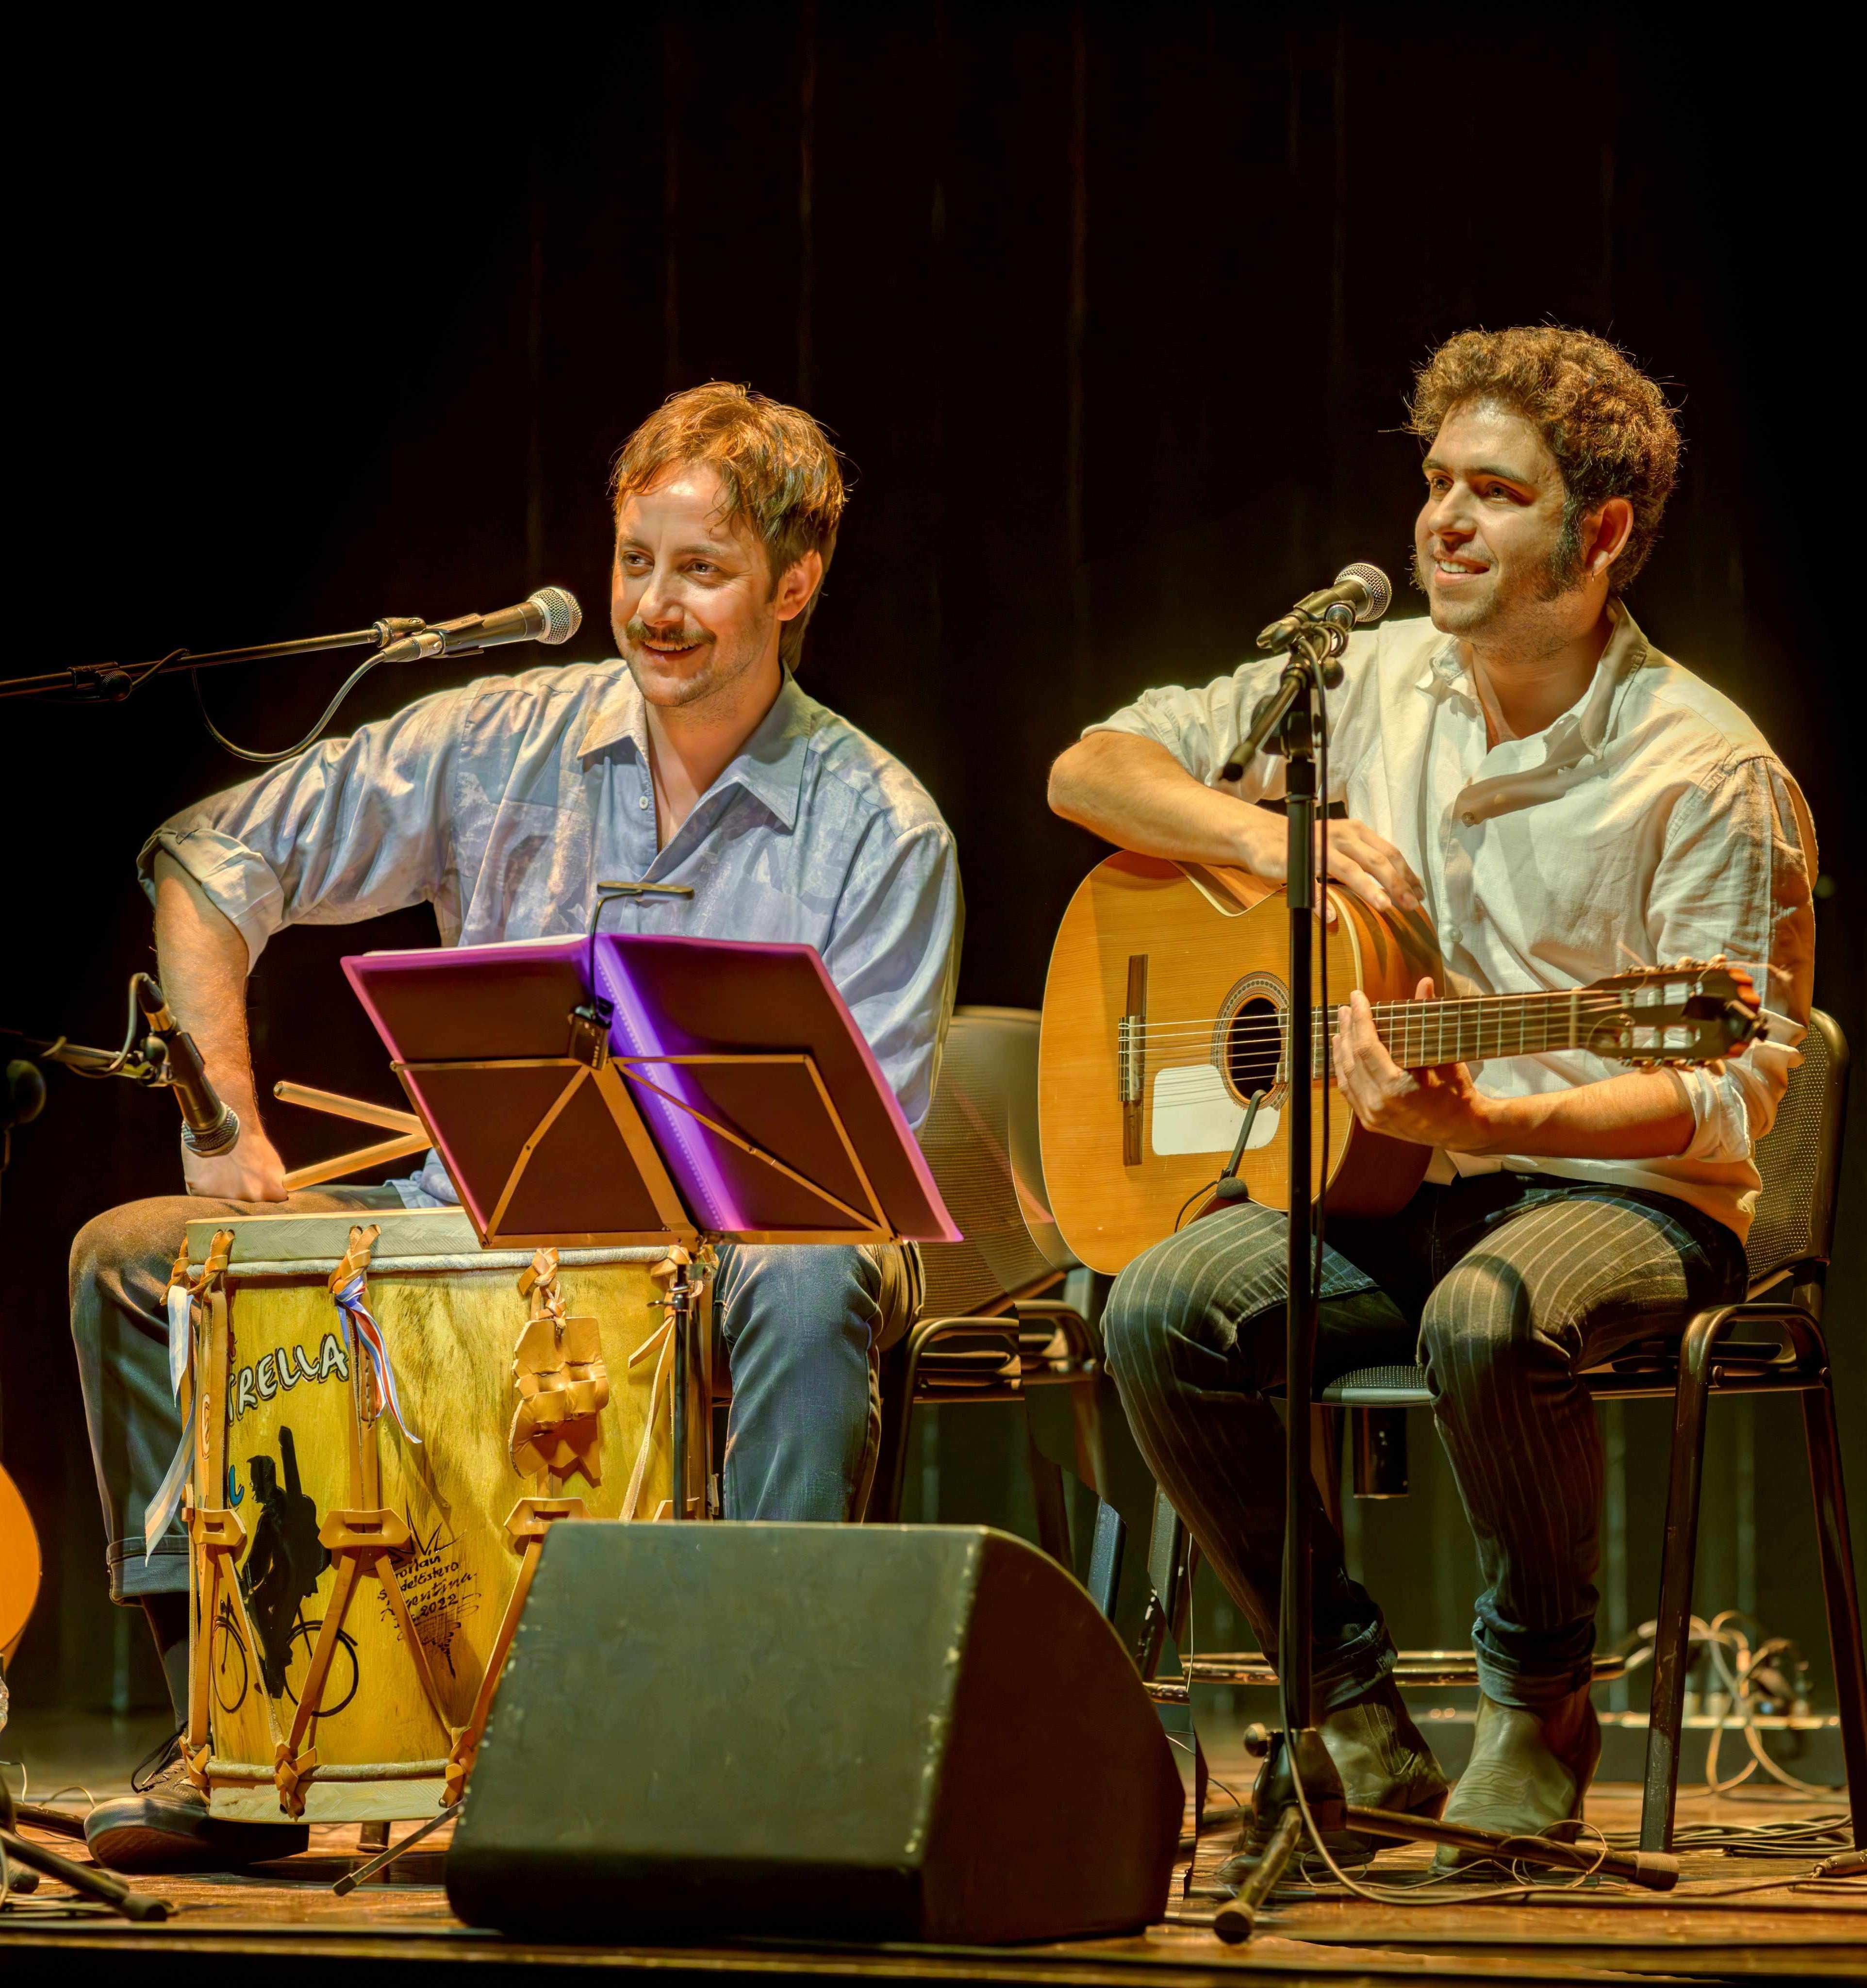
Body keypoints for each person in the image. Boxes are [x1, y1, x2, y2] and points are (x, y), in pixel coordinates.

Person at [72, 382, 962, 1871]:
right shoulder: (500, 735)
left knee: (815, 1279)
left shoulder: (881, 822)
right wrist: (219, 1117)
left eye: (703, 571)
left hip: (748, 1239)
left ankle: (762, 1749)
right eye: (635, 562)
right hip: (475, 1212)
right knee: (137, 1257)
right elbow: (211, 856)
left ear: (795, 585)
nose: (654, 608)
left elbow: (841, 1178)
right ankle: (234, 1728)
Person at [1047, 327, 1816, 1862]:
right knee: (1155, 1310)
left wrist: (1495, 1122)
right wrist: (1268, 842)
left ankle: (1538, 1706)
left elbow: (1724, 1098)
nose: (1442, 523)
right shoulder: (1367, 680)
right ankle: (1345, 1711)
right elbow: (1090, 767)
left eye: (1495, 493)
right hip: (1386, 1187)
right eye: (1435, 482)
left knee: (1489, 1312)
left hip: (1621, 1200)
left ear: (1598, 537)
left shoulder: (1707, 769)